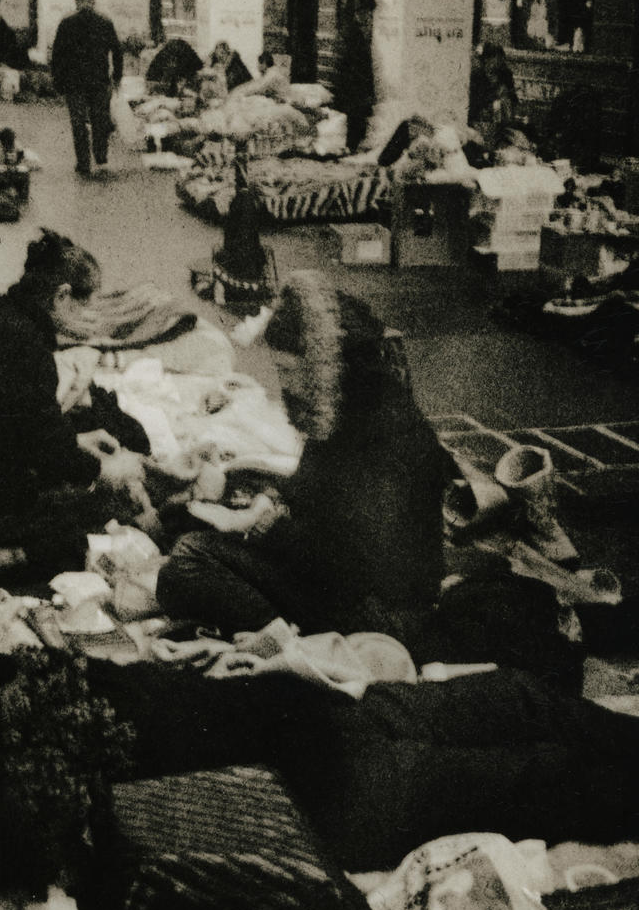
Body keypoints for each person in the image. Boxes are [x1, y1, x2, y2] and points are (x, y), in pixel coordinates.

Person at [156, 272, 450, 649]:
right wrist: (265, 501)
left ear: (324, 365)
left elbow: (347, 569)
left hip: (382, 616)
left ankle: (292, 643)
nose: (286, 386)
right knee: (192, 538)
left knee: (189, 560)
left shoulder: (385, 434)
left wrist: (259, 525)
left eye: (290, 371)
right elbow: (312, 492)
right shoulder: (350, 409)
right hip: (349, 588)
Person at [0, 230, 147, 581]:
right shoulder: (28, 348)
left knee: (77, 456)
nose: (92, 316)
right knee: (82, 535)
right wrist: (105, 471)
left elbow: (15, 424)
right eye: (88, 304)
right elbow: (48, 454)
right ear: (62, 296)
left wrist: (74, 442)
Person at [50, 0, 123, 177]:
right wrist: (116, 77)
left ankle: (84, 163)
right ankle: (100, 158)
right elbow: (117, 51)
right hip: (98, 81)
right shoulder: (104, 22)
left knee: (79, 123)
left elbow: (57, 56)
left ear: (77, 0)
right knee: (100, 121)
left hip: (75, 83)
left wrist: (58, 82)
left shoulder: (67, 23)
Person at [332, 0, 376, 152]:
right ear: (360, 12)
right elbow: (353, 64)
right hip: (355, 88)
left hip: (354, 88)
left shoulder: (352, 31)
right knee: (356, 123)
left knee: (356, 123)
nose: (369, 17)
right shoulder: (353, 33)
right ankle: (351, 150)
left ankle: (351, 149)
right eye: (367, 13)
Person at [467, 41, 518, 151]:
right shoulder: (477, 76)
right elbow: (475, 100)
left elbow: (512, 96)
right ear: (486, 59)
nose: (498, 62)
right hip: (483, 115)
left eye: (500, 58)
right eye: (494, 58)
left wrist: (503, 99)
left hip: (501, 115)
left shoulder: (505, 74)